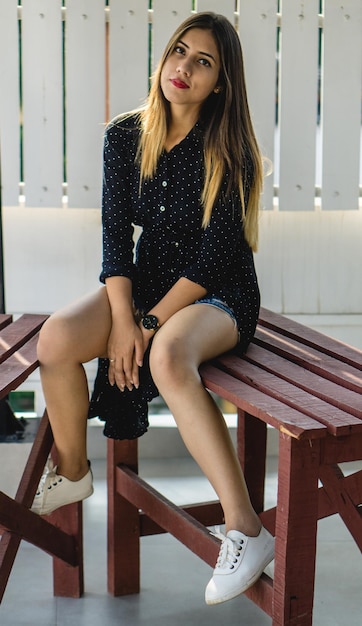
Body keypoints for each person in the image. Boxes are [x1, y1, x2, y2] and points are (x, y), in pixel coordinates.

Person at [31, 11, 274, 605]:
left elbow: (217, 256)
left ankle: (246, 528)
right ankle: (73, 472)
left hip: (217, 291)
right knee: (56, 342)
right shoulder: (124, 134)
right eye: (180, 52)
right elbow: (116, 240)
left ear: (221, 82)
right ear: (164, 59)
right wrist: (121, 321)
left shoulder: (229, 149)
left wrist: (144, 325)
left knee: (166, 357)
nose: (185, 68)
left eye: (204, 62)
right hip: (146, 279)